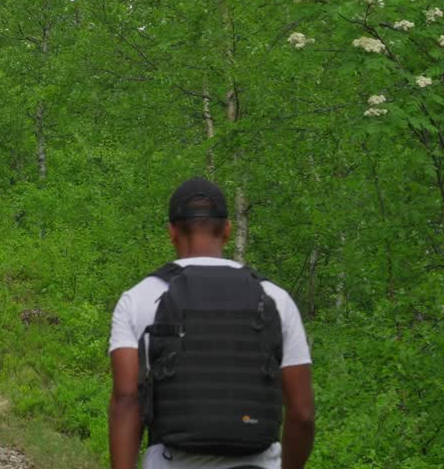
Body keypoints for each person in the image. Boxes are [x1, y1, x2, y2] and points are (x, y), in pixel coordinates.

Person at [108, 178, 316, 469]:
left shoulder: (138, 299)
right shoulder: (276, 299)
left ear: (171, 232)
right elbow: (302, 413)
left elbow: (126, 399)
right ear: (228, 230)